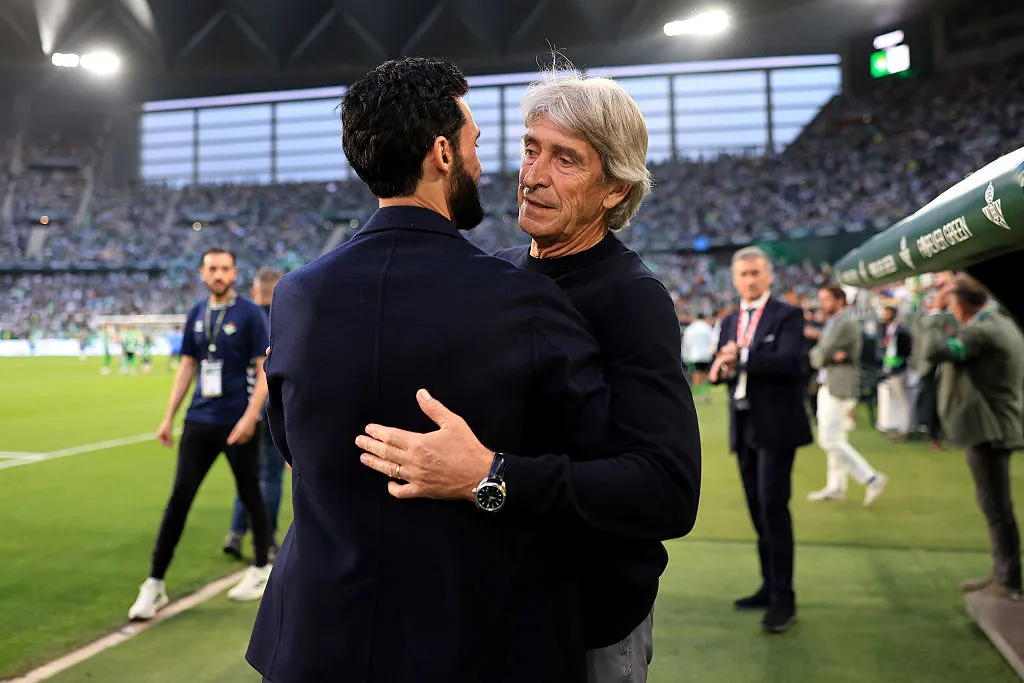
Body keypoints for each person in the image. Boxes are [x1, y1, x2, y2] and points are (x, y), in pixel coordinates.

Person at [247, 58, 613, 683]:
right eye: (473, 143)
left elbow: (293, 448)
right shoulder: (524, 301)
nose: (482, 163)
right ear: (442, 153)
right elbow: (593, 463)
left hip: (317, 643)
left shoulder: (295, 296)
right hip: (474, 644)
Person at [356, 73, 701, 682]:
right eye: (530, 147)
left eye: (565, 159)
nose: (533, 174)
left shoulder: (632, 299)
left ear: (615, 190)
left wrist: (489, 478)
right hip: (497, 613)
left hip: (587, 622)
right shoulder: (499, 273)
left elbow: (666, 491)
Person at [128, 247, 272, 621]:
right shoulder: (196, 313)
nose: (219, 274)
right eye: (213, 269)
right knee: (179, 499)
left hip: (236, 422)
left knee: (250, 491)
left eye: (225, 268)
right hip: (199, 420)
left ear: (235, 273)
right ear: (203, 273)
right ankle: (154, 583)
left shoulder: (251, 315)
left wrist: (250, 417)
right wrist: (168, 416)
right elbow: (188, 367)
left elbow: (265, 371)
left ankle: (260, 567)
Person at [709, 246, 812, 633]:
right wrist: (721, 368)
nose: (750, 280)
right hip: (744, 423)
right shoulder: (730, 319)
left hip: (777, 425)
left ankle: (784, 597)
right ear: (734, 279)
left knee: (773, 506)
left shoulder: (787, 314)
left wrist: (745, 357)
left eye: (756, 273)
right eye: (743, 274)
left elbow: (789, 362)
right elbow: (721, 368)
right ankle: (769, 586)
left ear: (769, 275)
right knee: (757, 508)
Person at [925, 274, 1024, 600]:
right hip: (996, 423)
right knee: (996, 505)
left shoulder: (982, 331)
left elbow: (935, 350)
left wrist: (934, 316)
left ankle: (1008, 580)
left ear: (959, 304)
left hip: (990, 428)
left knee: (996, 506)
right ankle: (1002, 573)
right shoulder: (999, 322)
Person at [223, 268, 285, 562]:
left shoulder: (244, 317)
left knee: (247, 476)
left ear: (256, 291)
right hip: (275, 410)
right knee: (271, 477)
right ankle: (269, 539)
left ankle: (235, 533)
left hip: (246, 410)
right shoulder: (285, 318)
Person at [806, 285, 887, 505]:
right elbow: (822, 354)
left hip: (840, 385)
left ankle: (870, 478)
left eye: (826, 299)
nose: (821, 304)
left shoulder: (844, 323)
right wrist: (826, 355)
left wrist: (824, 355)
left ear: (839, 301)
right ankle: (836, 486)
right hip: (830, 382)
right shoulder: (834, 323)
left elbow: (819, 355)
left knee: (829, 439)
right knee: (836, 438)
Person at [878, 305, 913, 438]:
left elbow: (906, 349)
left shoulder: (900, 331)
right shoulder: (889, 329)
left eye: (886, 313)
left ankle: (905, 429)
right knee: (897, 401)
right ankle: (899, 426)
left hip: (898, 369)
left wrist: (901, 362)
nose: (884, 316)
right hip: (891, 368)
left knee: (903, 401)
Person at [683, 313, 715, 403]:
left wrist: (686, 355)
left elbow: (686, 343)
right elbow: (713, 341)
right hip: (706, 355)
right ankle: (705, 394)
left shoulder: (690, 329)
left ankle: (698, 395)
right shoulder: (707, 328)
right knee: (705, 375)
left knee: (696, 375)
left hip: (694, 355)